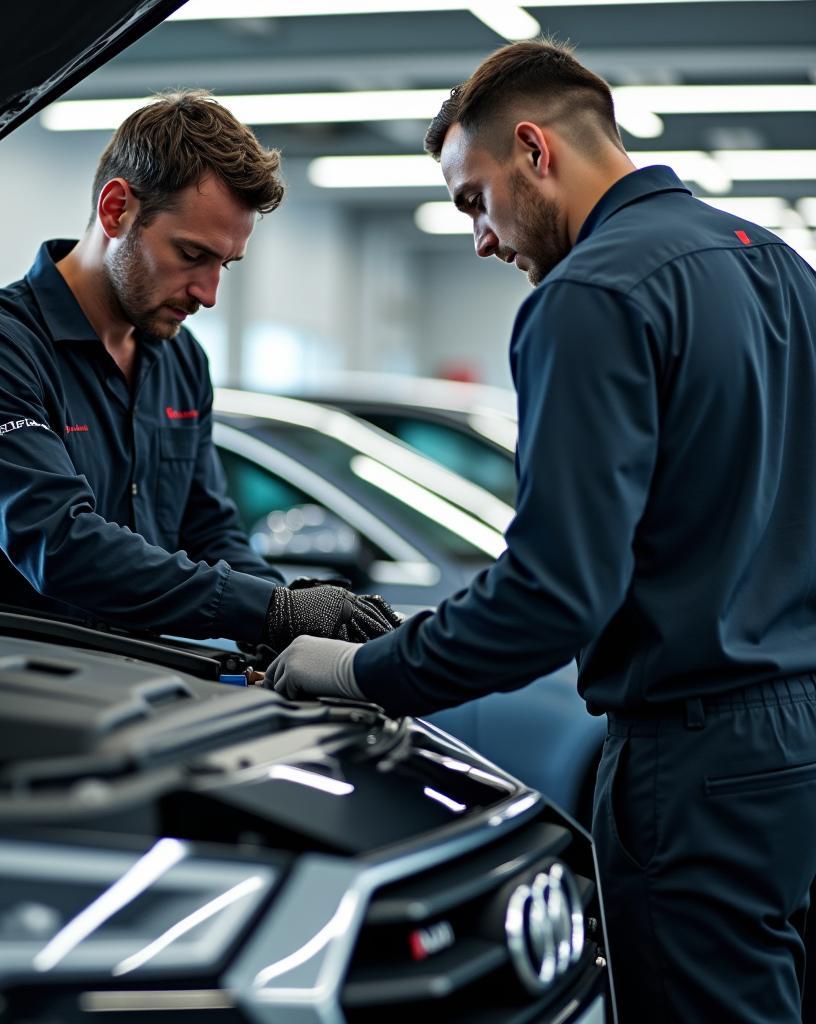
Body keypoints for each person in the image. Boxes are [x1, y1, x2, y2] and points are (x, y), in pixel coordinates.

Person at [265, 40, 816, 1024]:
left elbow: (551, 596)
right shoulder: (778, 265)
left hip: (692, 756)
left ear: (531, 149)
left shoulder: (587, 297)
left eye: (473, 199)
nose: (477, 237)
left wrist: (359, 672)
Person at [0, 90, 397, 650]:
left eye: (225, 264)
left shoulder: (181, 357)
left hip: (137, 686)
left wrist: (290, 626)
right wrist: (270, 610)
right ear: (116, 209)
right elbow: (61, 546)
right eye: (192, 255)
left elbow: (208, 528)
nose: (209, 292)